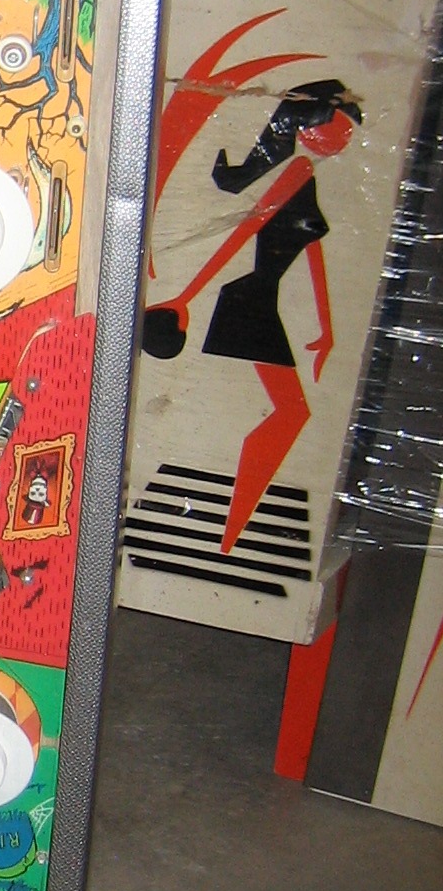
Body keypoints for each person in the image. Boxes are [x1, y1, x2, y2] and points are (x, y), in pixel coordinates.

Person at [140, 78, 361, 553]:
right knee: (292, 412)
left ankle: (230, 532)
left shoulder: (303, 172)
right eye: (342, 123)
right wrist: (186, 296)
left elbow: (310, 253)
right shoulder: (295, 171)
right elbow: (241, 234)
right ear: (311, 121)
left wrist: (325, 329)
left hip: (259, 301)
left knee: (290, 413)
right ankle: (229, 535)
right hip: (246, 304)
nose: (346, 135)